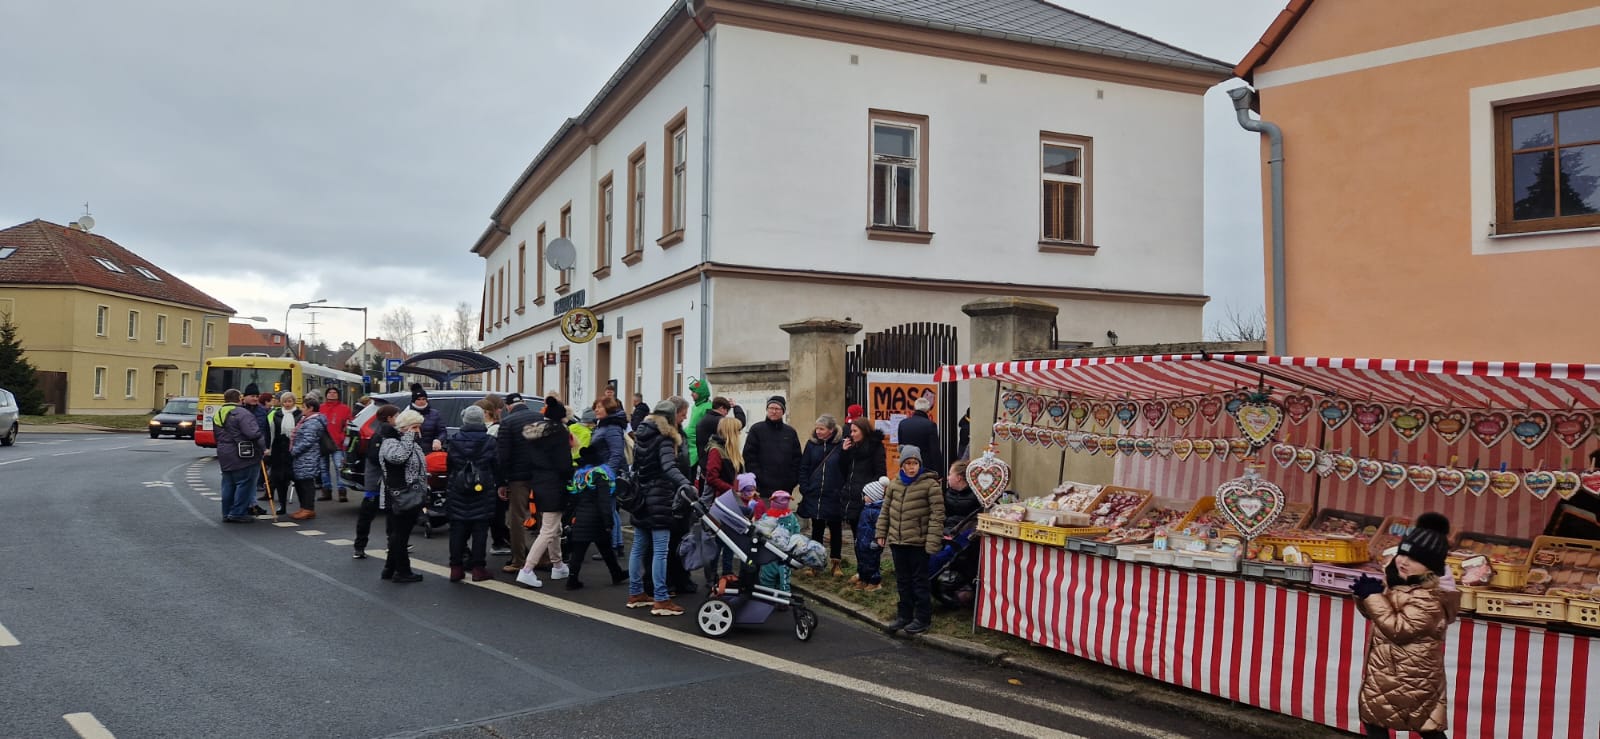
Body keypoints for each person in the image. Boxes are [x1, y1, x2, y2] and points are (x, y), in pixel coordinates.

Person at [1351, 512, 1459, 739]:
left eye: (1415, 559)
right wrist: (1365, 596)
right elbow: (1376, 616)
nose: (1404, 561)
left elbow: (1399, 629)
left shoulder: (1431, 598)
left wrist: (1373, 597)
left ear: (1431, 568)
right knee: (1374, 722)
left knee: (1427, 726)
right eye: (1403, 554)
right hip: (1386, 670)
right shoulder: (1398, 582)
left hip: (1415, 676)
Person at [627, 397, 694, 616]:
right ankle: (661, 599)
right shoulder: (665, 438)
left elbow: (636, 467)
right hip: (660, 498)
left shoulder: (642, 435)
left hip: (641, 498)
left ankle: (636, 593)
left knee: (638, 547)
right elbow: (668, 467)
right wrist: (685, 483)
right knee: (661, 550)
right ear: (671, 418)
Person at [875, 445, 943, 636]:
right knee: (902, 580)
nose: (911, 467)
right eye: (908, 463)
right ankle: (904, 614)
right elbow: (885, 510)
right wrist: (881, 532)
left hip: (918, 542)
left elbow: (937, 516)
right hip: (898, 541)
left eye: (914, 463)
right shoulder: (895, 484)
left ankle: (922, 617)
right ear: (902, 465)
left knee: (919, 581)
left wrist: (932, 542)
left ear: (919, 464)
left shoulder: (930, 485)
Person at [521, 396, 574, 588]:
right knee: (548, 530)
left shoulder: (536, 432)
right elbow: (563, 462)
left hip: (539, 481)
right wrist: (570, 475)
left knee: (555, 527)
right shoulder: (559, 432)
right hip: (555, 483)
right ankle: (527, 569)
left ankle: (558, 565)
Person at [445, 405, 498, 583]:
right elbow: (496, 465)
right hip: (482, 489)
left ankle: (456, 568)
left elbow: (450, 465)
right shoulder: (490, 441)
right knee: (480, 530)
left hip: (458, 488)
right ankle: (478, 568)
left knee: (457, 529)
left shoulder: (454, 440)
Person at [565, 444, 627, 591]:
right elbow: (604, 502)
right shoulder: (601, 475)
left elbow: (572, 501)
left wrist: (568, 520)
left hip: (581, 518)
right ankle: (616, 573)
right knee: (606, 548)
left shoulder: (579, 476)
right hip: (597, 519)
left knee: (578, 552)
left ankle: (572, 579)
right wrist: (608, 521)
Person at [379, 409, 428, 583]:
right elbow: (397, 458)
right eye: (415, 427)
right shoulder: (391, 443)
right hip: (398, 496)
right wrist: (408, 437)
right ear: (405, 428)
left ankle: (390, 568)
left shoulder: (410, 443)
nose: (418, 431)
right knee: (399, 535)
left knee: (399, 534)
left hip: (408, 495)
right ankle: (402, 570)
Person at [797, 414, 848, 577]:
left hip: (834, 494)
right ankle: (815, 564)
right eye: (817, 428)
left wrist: (842, 489)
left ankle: (836, 563)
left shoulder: (841, 445)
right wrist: (805, 487)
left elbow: (846, 468)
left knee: (835, 528)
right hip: (815, 493)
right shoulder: (812, 445)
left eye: (822, 429)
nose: (818, 431)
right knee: (817, 529)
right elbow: (804, 467)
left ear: (831, 430)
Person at [496, 395, 539, 574]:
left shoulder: (507, 422)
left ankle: (519, 560)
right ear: (525, 403)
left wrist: (501, 482)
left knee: (517, 518)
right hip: (541, 474)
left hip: (517, 477)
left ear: (508, 406)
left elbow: (503, 455)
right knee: (544, 517)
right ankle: (544, 558)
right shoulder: (541, 418)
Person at [701, 416, 745, 579]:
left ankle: (727, 572)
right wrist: (732, 491)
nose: (740, 434)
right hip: (720, 502)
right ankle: (712, 574)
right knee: (720, 540)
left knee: (730, 539)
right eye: (738, 431)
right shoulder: (716, 450)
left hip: (730, 500)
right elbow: (712, 478)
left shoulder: (729, 449)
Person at [353, 404, 400, 559]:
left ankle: (392, 543)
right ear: (389, 418)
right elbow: (374, 457)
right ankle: (360, 546)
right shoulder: (382, 434)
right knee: (369, 513)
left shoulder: (387, 432)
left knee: (391, 513)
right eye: (397, 415)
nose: (399, 418)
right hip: (377, 482)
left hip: (384, 481)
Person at [590, 396, 631, 560]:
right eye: (596, 407)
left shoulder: (612, 427)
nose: (596, 410)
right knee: (611, 509)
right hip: (604, 471)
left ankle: (613, 546)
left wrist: (607, 474)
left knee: (609, 510)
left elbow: (616, 454)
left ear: (608, 409)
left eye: (599, 407)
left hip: (608, 474)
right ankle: (617, 544)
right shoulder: (604, 425)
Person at [213, 388, 262, 523]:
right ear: (239, 398)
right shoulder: (242, 413)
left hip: (224, 452)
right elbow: (253, 433)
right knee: (244, 483)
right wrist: (262, 447)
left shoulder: (219, 413)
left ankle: (226, 512)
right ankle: (238, 513)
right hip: (243, 453)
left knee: (228, 484)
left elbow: (216, 435)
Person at [743, 396, 801, 500]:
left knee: (782, 516)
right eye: (771, 408)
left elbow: (797, 458)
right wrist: (759, 478)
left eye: (777, 409)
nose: (773, 411)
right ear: (767, 410)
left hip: (784, 489)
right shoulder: (756, 430)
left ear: (783, 411)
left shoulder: (790, 432)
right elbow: (749, 457)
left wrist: (791, 481)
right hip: (762, 488)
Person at [476, 398, 512, 556]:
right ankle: (501, 540)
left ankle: (501, 540)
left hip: (493, 478)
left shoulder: (494, 430)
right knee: (492, 513)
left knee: (497, 513)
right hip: (486, 477)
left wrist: (501, 481)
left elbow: (497, 459)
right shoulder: (486, 429)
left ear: (486, 413)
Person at [288, 392, 329, 521]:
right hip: (303, 457)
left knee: (306, 483)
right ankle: (304, 507)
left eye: (304, 407)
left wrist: (294, 451)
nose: (302, 409)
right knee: (301, 482)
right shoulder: (307, 420)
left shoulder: (313, 422)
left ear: (311, 408)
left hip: (307, 457)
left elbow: (307, 440)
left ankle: (308, 509)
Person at [842, 417, 887, 529]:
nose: (851, 434)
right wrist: (844, 453)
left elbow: (880, 472)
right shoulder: (853, 447)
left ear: (864, 431)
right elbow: (843, 470)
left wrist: (869, 492)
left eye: (855, 431)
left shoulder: (875, 447)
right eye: (851, 431)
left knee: (866, 534)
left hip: (867, 497)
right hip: (851, 496)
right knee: (856, 534)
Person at [264, 392, 301, 516]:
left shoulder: (300, 415)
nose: (287, 404)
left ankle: (304, 506)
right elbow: (271, 432)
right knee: (279, 480)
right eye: (285, 401)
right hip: (279, 450)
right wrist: (269, 448)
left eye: (290, 401)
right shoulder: (276, 415)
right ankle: (282, 505)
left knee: (298, 479)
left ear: (294, 402)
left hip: (294, 450)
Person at [757, 490, 801, 595]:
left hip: (768, 553)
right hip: (785, 555)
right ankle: (783, 599)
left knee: (767, 578)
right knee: (784, 578)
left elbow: (759, 531)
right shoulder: (791, 517)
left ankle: (767, 598)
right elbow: (796, 531)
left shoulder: (767, 517)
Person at [853, 477, 889, 591]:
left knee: (872, 563)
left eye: (866, 495)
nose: (864, 497)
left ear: (873, 496)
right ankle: (863, 580)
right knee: (862, 562)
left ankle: (875, 581)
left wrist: (876, 540)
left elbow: (880, 528)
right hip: (862, 542)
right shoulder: (866, 509)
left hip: (871, 543)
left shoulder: (877, 512)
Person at [319, 386, 354, 503]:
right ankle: (326, 490)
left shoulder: (345, 409)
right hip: (322, 442)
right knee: (323, 468)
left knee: (339, 468)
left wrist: (342, 437)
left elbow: (348, 425)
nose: (332, 394)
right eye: (330, 392)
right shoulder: (321, 408)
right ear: (326, 395)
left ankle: (342, 492)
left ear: (338, 395)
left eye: (335, 392)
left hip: (338, 443)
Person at [896, 394, 943, 479]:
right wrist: (939, 472)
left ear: (914, 408)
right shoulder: (930, 425)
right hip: (925, 468)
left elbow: (901, 447)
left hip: (907, 465)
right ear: (928, 411)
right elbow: (934, 451)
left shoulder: (903, 424)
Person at [942, 459, 982, 532]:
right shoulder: (947, 493)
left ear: (958, 478)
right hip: (946, 531)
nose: (948, 478)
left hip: (964, 533)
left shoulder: (976, 496)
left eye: (950, 474)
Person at [408, 383, 444, 452]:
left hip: (431, 451)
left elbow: (442, 431)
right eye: (418, 399)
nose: (421, 401)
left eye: (424, 399)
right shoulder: (407, 414)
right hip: (413, 451)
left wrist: (438, 440)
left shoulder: (435, 414)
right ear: (414, 400)